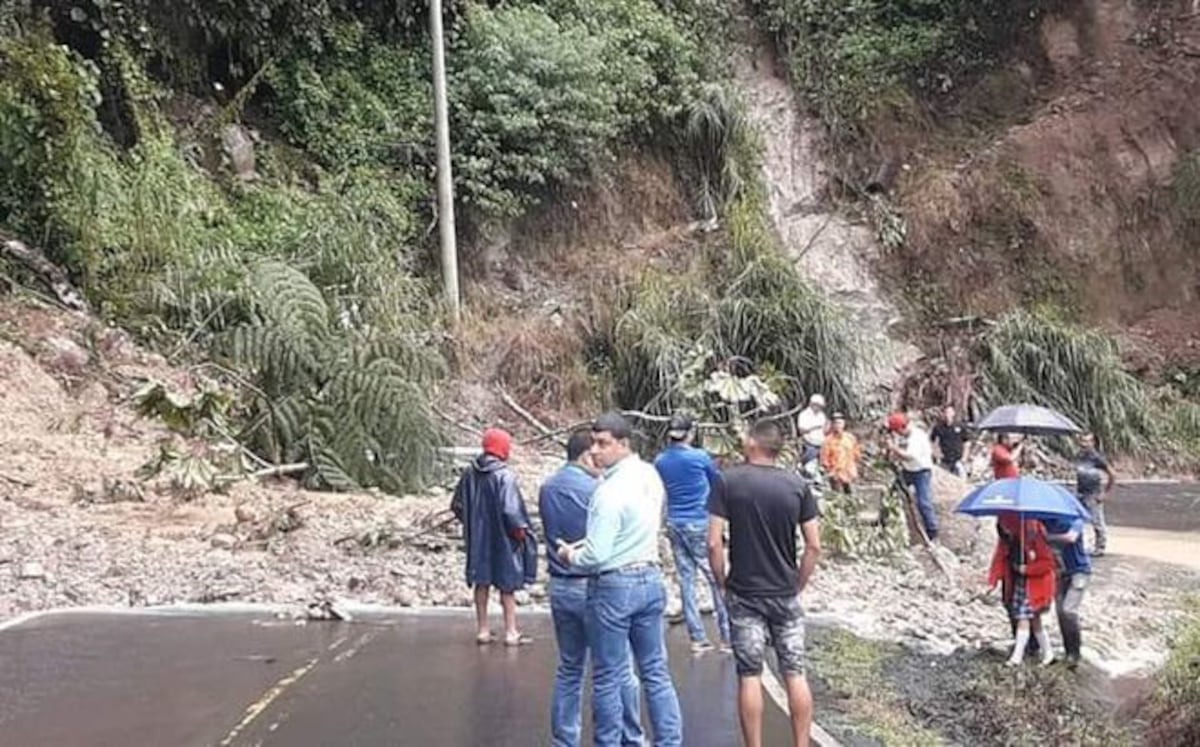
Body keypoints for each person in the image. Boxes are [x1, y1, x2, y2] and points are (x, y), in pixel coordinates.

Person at [560, 412, 682, 747]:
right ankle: (670, 741)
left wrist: (571, 555)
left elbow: (596, 554)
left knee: (608, 676)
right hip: (649, 575)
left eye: (603, 444)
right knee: (655, 671)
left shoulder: (607, 492)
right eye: (593, 444)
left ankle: (609, 742)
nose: (596, 451)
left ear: (623, 444)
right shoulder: (650, 475)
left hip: (613, 585)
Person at [708, 419, 821, 747]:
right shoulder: (797, 485)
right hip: (784, 593)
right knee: (795, 672)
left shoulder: (727, 482)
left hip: (744, 593)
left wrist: (722, 581)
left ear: (755, 443)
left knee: (749, 674)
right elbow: (813, 545)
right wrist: (798, 583)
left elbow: (714, 543)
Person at [540, 430, 643, 747]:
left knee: (569, 668)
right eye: (596, 452)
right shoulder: (600, 490)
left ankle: (564, 740)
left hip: (560, 585)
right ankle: (629, 737)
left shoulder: (548, 488)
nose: (601, 459)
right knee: (616, 669)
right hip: (595, 585)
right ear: (586, 456)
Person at [450, 427, 536, 646]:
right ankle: (511, 631)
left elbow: (457, 505)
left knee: (482, 582)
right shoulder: (504, 476)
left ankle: (483, 630)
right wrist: (519, 532)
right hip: (503, 539)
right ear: (503, 448)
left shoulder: (469, 472)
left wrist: (470, 523)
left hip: (477, 538)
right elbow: (511, 511)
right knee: (507, 585)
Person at [653, 414, 730, 654]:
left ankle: (697, 638)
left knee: (686, 579)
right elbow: (717, 483)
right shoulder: (700, 457)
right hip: (699, 522)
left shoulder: (661, 460)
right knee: (716, 578)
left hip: (674, 523)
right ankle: (727, 637)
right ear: (690, 433)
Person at [988, 514, 1056, 666]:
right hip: (1021, 583)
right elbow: (1000, 558)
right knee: (1035, 620)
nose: (1006, 532)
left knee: (1023, 617)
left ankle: (1017, 657)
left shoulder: (1035, 536)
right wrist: (993, 580)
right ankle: (1048, 653)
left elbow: (1048, 563)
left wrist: (1027, 569)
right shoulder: (1008, 539)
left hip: (1036, 585)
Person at [1044, 514, 1092, 669]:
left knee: (1068, 610)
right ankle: (1068, 651)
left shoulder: (1074, 520)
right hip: (1059, 571)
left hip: (1079, 570)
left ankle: (1074, 653)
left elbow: (1071, 537)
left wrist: (1046, 537)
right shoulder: (1045, 521)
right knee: (1060, 612)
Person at [885, 412, 938, 542]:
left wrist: (893, 449)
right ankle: (884, 521)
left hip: (921, 471)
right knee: (891, 495)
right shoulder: (900, 437)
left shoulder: (917, 437)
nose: (896, 434)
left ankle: (932, 531)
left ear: (902, 428)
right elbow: (897, 455)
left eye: (897, 431)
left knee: (923, 502)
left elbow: (909, 456)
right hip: (907, 470)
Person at [1075, 432, 1115, 556]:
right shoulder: (1079, 456)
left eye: (1087, 441)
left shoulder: (1097, 458)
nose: (1084, 444)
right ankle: (1078, 544)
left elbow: (1112, 474)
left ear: (1092, 443)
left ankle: (1100, 547)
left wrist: (1105, 493)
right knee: (1077, 519)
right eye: (1082, 441)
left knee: (1097, 521)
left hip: (1093, 493)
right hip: (1081, 492)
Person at [819, 412, 861, 495]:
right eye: (835, 423)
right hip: (836, 475)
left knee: (852, 498)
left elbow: (856, 454)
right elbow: (824, 460)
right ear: (832, 425)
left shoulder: (850, 438)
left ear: (844, 424)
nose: (838, 425)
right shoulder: (828, 441)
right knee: (837, 498)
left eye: (840, 423)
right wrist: (830, 471)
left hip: (849, 474)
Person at [930, 405, 969, 477]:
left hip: (958, 459)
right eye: (946, 412)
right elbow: (932, 441)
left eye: (950, 412)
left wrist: (964, 457)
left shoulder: (960, 426)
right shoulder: (938, 427)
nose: (948, 415)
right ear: (943, 414)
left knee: (961, 479)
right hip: (944, 460)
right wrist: (936, 454)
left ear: (953, 413)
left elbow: (966, 442)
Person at [795, 394, 828, 466]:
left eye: (820, 406)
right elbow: (801, 431)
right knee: (810, 454)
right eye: (817, 405)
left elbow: (824, 430)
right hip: (809, 443)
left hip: (821, 442)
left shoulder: (822, 415)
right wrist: (814, 428)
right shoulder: (804, 415)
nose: (819, 408)